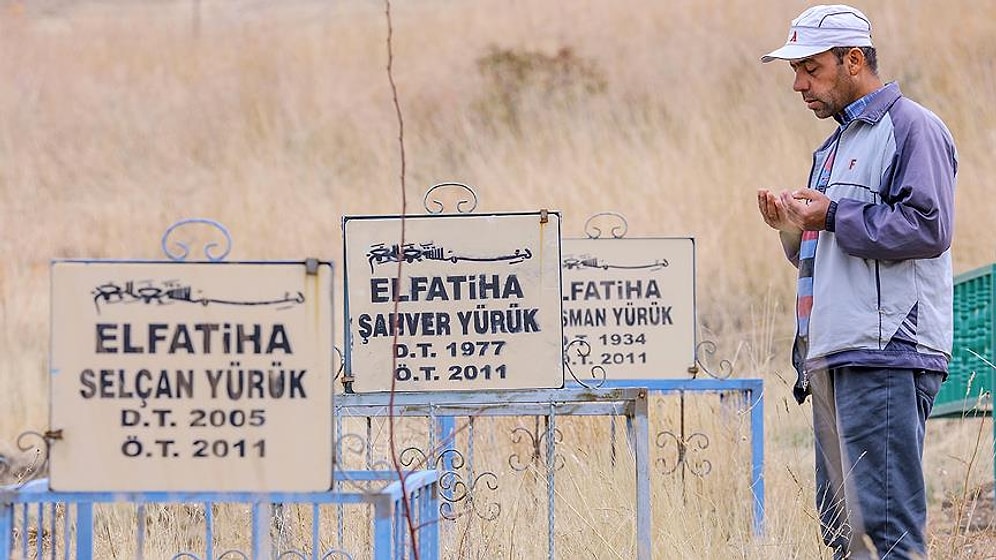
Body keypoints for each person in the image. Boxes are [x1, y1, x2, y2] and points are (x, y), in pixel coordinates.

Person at [756, 4, 957, 559]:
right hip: (834, 356)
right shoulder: (832, 147)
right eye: (794, 70)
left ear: (852, 60)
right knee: (845, 539)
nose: (798, 84)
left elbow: (928, 227)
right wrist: (792, 228)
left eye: (810, 68)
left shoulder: (912, 127)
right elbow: (834, 252)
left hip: (884, 354)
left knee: (885, 536)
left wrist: (832, 215)